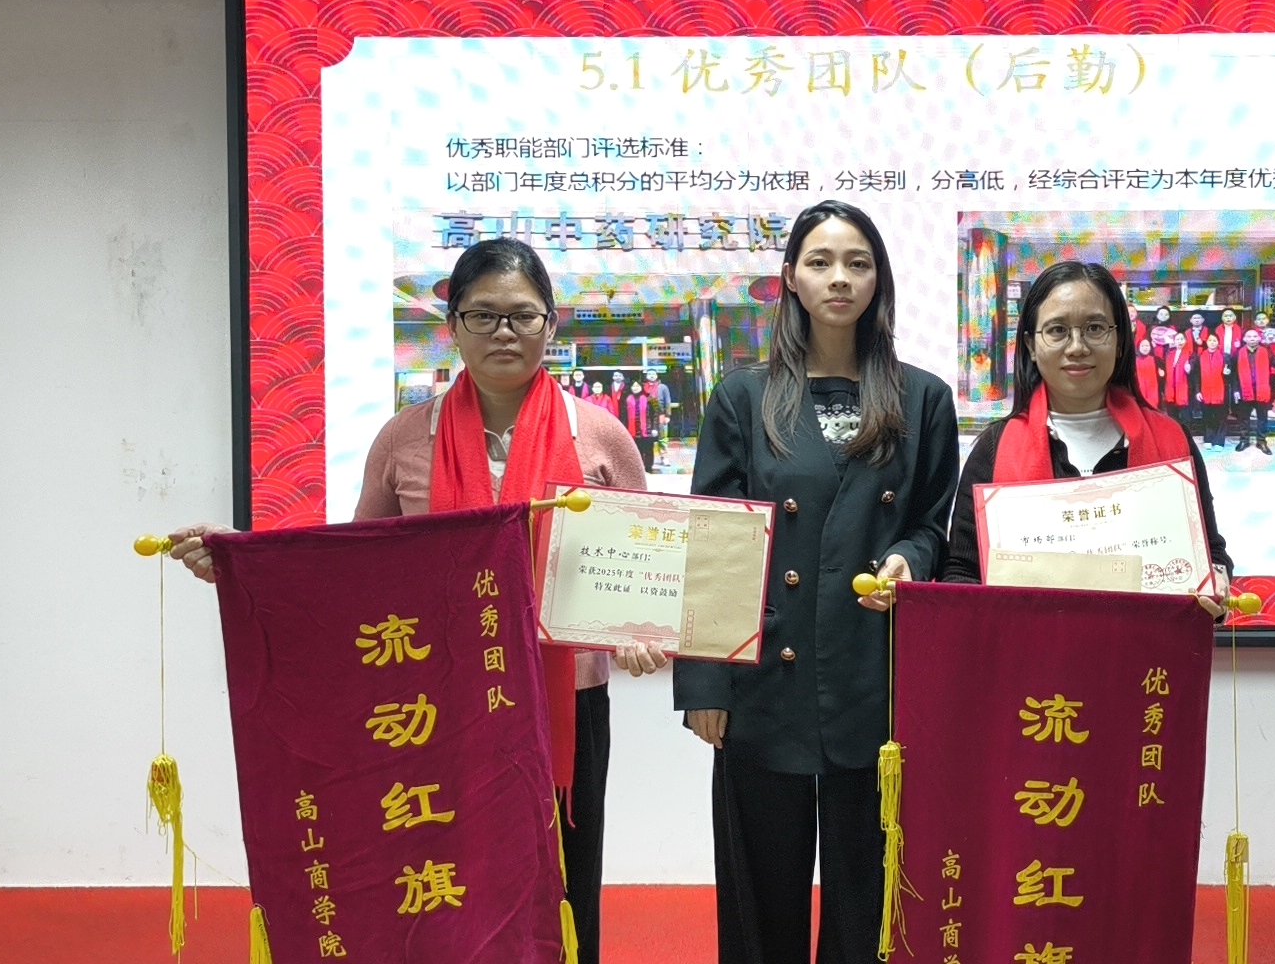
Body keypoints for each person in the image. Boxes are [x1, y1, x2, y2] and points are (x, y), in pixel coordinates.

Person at [166, 238, 665, 964]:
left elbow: (645, 565)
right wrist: (242, 563)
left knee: (563, 883)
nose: (503, 332)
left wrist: (644, 630)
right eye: (483, 314)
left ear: (551, 325)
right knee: (444, 883)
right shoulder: (404, 438)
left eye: (522, 315)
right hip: (435, 708)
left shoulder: (599, 436)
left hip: (565, 704)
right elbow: (350, 570)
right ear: (453, 325)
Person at [674, 199, 959, 964]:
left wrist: (911, 561)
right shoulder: (743, 396)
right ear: (791, 278)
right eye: (821, 262)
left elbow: (932, 525)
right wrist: (705, 681)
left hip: (876, 672)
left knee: (867, 895)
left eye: (858, 263)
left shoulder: (924, 398)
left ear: (879, 279)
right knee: (759, 892)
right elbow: (715, 540)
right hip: (768, 671)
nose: (840, 278)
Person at [941, 260, 1233, 598]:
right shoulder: (994, 448)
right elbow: (962, 570)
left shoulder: (1172, 440)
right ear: (1031, 346)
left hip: (1148, 634)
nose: (1077, 347)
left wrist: (1216, 579)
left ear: (1120, 340)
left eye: (1095, 328)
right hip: (1027, 635)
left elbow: (1210, 552)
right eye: (1057, 330)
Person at [1229, 326, 1275, 455]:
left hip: (1262, 390)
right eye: (1249, 336)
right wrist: (1235, 390)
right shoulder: (1238, 353)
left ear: (1259, 338)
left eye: (1255, 336)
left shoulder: (1266, 351)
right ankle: (1244, 440)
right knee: (1243, 418)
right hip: (1244, 390)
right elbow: (1233, 374)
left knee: (1262, 418)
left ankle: (1261, 441)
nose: (1252, 339)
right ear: (1244, 339)